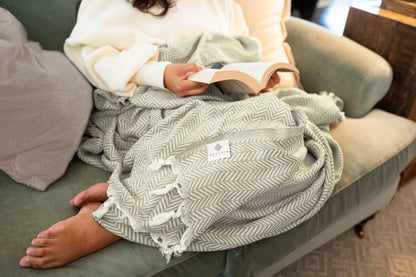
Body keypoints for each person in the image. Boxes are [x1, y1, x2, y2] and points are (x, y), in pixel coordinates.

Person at [19, 0, 280, 269]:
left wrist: (254, 81)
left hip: (217, 106)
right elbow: (89, 54)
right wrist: (160, 73)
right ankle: (111, 220)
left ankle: (129, 194)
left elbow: (238, 56)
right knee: (218, 150)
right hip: (146, 105)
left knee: (284, 143)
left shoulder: (224, 5)